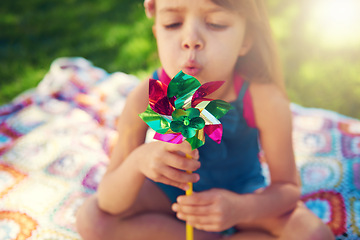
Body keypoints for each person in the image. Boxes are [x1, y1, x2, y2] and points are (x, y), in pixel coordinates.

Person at [76, 0, 335, 239]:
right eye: (172, 24)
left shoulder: (264, 99)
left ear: (246, 40)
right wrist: (138, 161)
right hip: (168, 198)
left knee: (313, 234)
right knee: (92, 218)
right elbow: (108, 200)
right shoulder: (146, 97)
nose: (191, 40)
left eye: (216, 24)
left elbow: (288, 188)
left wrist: (240, 209)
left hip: (241, 195)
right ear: (156, 32)